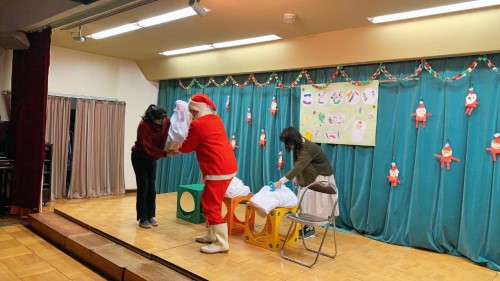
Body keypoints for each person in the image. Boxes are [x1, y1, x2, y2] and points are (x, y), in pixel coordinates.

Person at [169, 93, 237, 254]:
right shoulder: (216, 119)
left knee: (210, 205)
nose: (191, 114)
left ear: (196, 109)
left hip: (217, 169)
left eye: (192, 111)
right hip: (227, 165)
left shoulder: (198, 124)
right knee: (212, 202)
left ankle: (221, 243)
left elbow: (187, 146)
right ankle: (212, 234)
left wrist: (175, 149)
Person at [274, 126, 338, 239]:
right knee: (304, 202)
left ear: (293, 139)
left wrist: (280, 182)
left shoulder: (308, 149)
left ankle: (310, 228)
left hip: (320, 176)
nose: (287, 145)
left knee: (311, 203)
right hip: (311, 175)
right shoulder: (298, 145)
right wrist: (297, 177)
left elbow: (297, 167)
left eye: (287, 142)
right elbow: (298, 164)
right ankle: (308, 227)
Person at [131, 104, 170, 228]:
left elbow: (164, 138)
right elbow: (147, 148)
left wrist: (166, 149)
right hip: (140, 157)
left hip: (152, 158)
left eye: (164, 119)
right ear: (152, 118)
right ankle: (142, 218)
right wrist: (164, 153)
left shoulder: (166, 121)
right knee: (143, 187)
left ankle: (150, 216)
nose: (162, 122)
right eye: (159, 120)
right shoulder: (144, 125)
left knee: (152, 187)